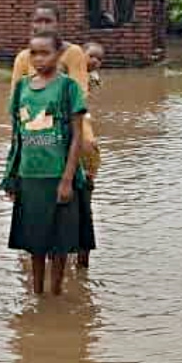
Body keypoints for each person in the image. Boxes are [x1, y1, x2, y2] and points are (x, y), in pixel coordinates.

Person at [1, 30, 91, 295]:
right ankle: (38, 294)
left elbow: (76, 136)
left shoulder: (67, 87)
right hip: (30, 176)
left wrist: (67, 179)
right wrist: (12, 175)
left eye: (45, 53)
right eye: (34, 53)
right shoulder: (22, 88)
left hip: (57, 175)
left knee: (59, 244)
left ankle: (56, 294)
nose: (39, 59)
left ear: (59, 54)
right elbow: (17, 135)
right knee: (34, 244)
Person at [77, 42, 105, 269]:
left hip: (86, 153)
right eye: (91, 56)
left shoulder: (91, 79)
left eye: (99, 58)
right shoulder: (68, 80)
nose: (95, 60)